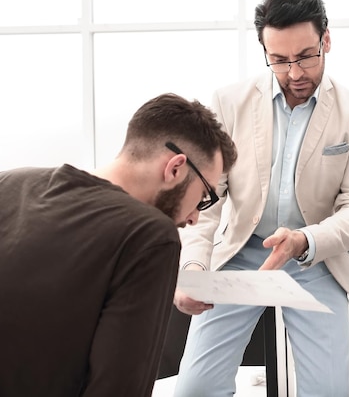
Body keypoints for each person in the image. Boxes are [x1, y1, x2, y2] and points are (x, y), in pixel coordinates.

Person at [172, 0, 349, 397]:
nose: (295, 73)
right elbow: (206, 202)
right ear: (264, 51)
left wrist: (304, 239)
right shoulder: (229, 103)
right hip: (242, 254)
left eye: (305, 56)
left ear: (327, 40)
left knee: (330, 393)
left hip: (314, 260)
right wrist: (194, 269)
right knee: (193, 390)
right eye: (279, 61)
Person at [0, 93, 237, 397]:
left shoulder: (10, 184)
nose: (193, 218)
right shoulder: (150, 235)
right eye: (204, 197)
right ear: (175, 168)